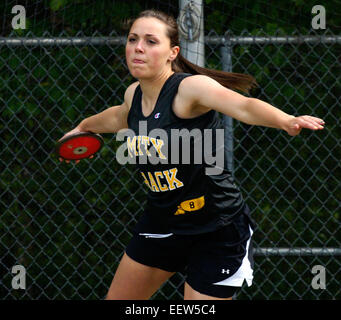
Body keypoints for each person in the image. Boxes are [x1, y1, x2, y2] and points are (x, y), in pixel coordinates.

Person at [58, 10, 325, 300]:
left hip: (217, 229)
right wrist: (84, 127)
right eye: (133, 39)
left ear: (172, 52)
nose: (138, 47)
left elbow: (244, 106)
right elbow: (118, 117)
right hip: (162, 223)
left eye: (150, 41)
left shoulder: (189, 89)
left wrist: (286, 120)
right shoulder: (133, 95)